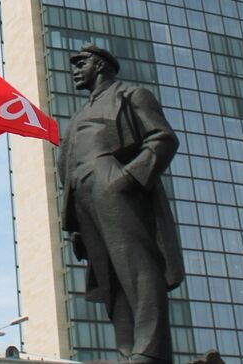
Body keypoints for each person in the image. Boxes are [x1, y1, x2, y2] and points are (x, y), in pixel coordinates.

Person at [58, 43, 184, 363]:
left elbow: (163, 138)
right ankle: (128, 351)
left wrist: (128, 178)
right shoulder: (80, 114)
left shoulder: (132, 95)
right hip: (83, 192)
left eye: (81, 63)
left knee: (136, 266)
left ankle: (150, 350)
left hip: (112, 181)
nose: (75, 70)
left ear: (100, 65)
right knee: (108, 274)